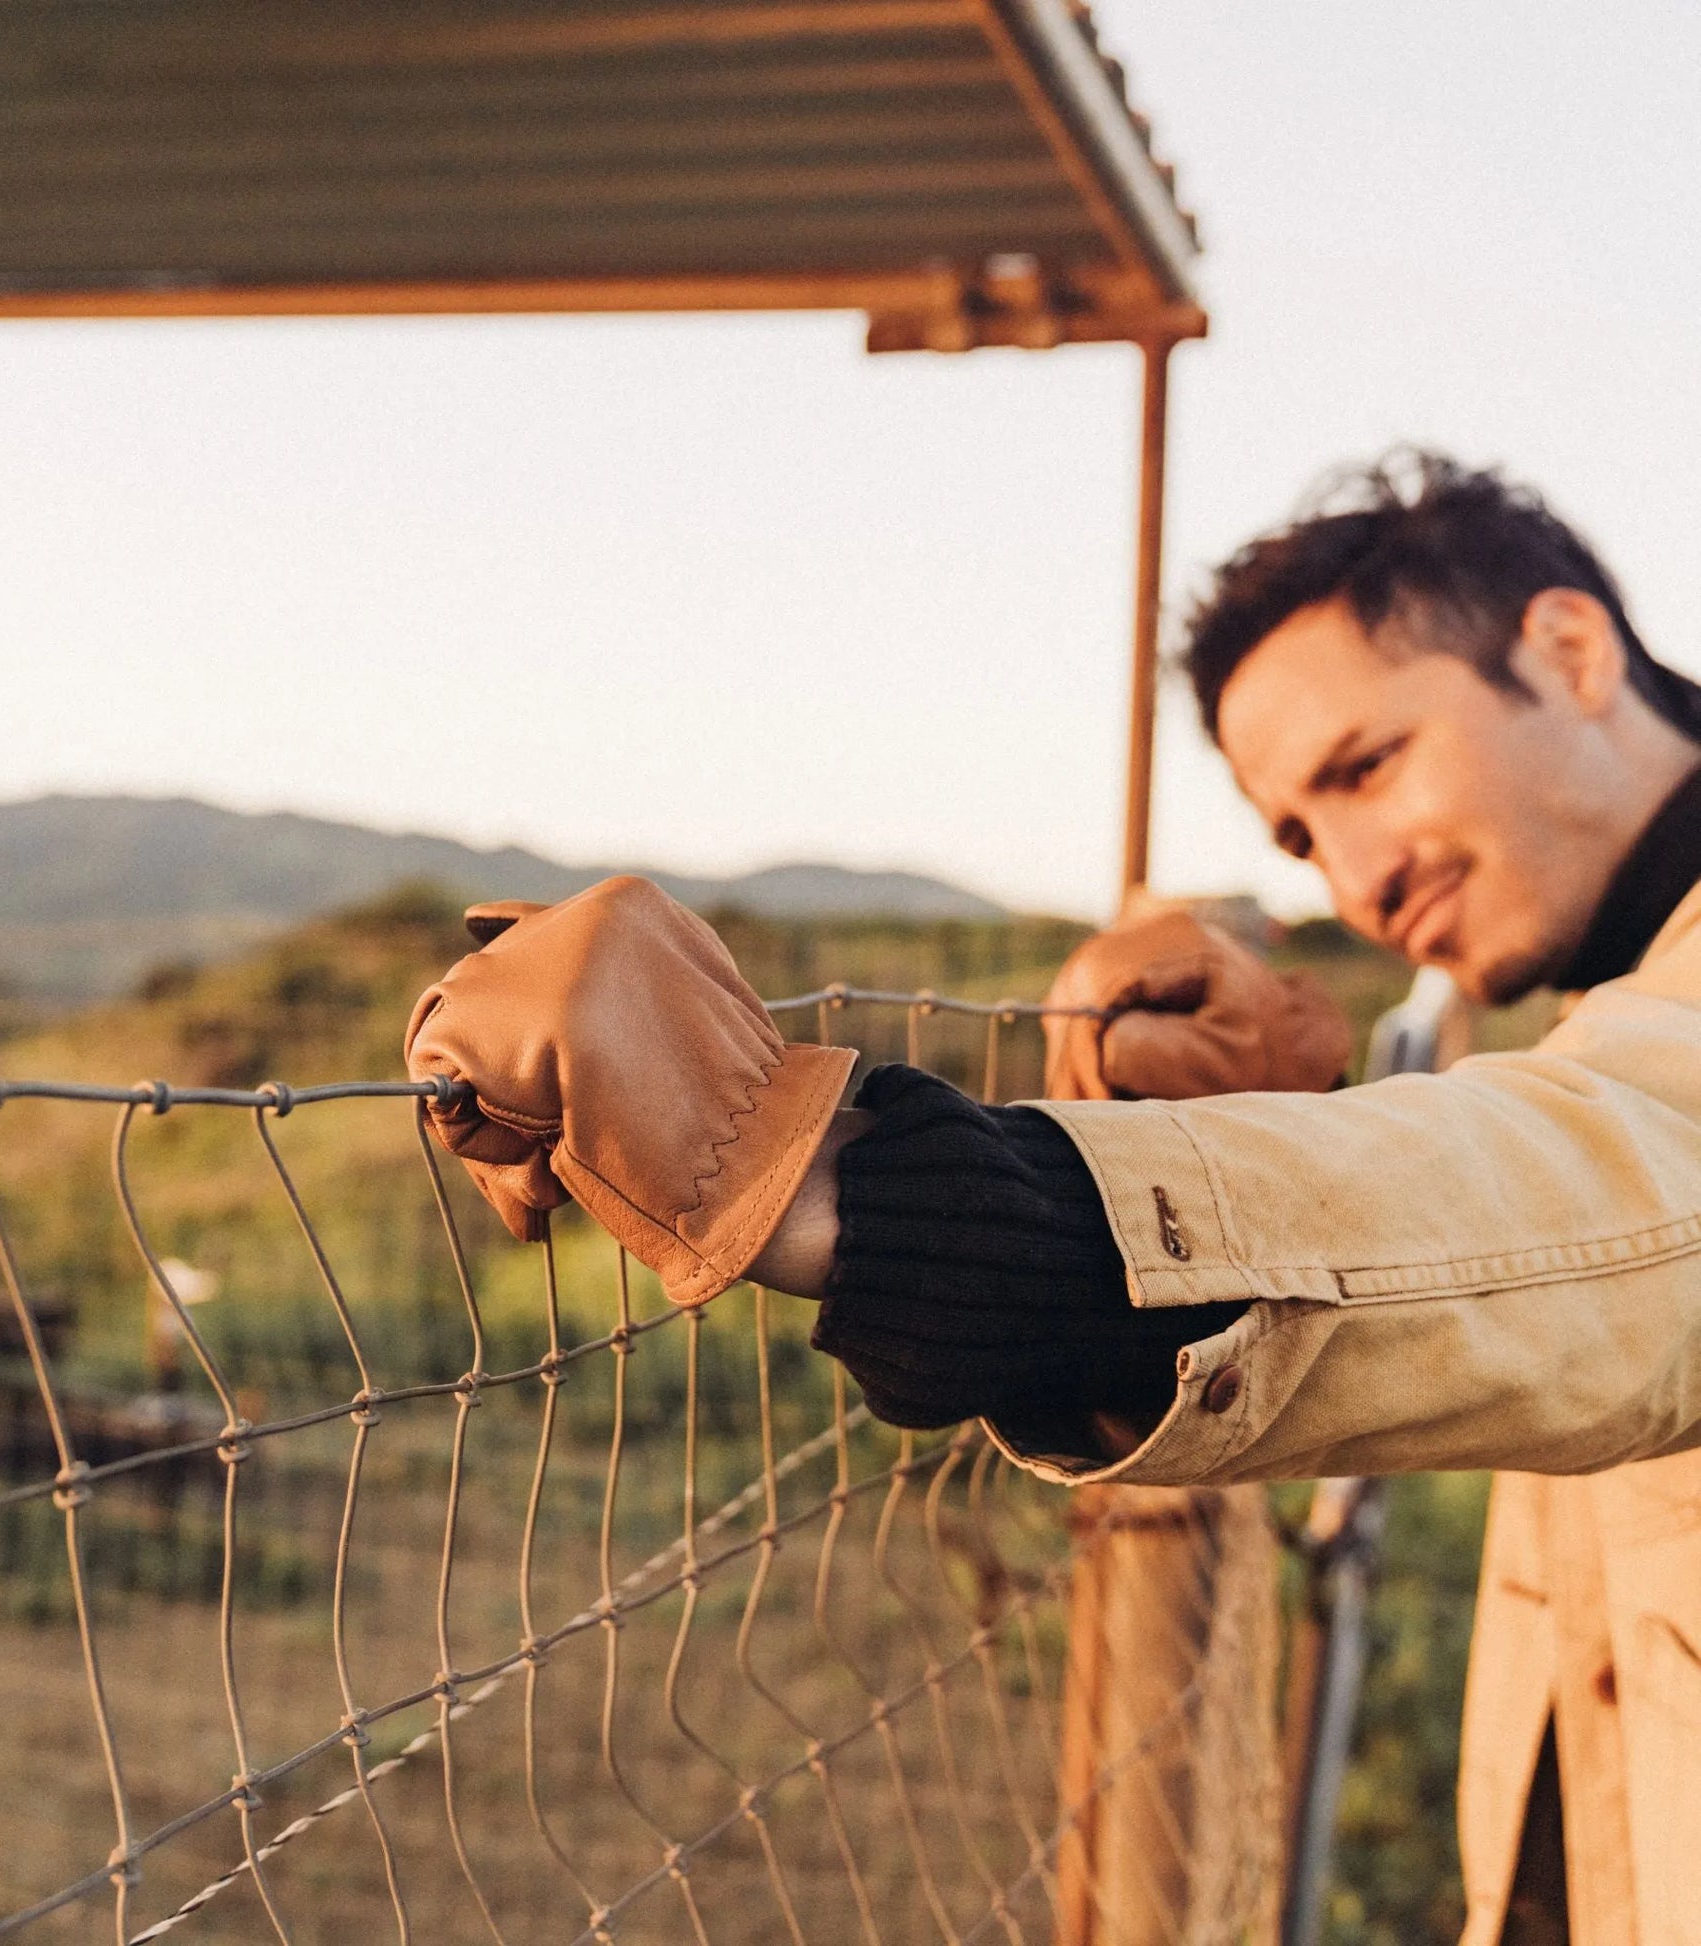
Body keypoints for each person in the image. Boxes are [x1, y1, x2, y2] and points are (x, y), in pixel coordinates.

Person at [407, 454, 1701, 1946]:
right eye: (1297, 835)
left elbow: (1637, 1185)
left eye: (1364, 766)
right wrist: (1303, 1118)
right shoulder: (1624, 989)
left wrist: (814, 1171)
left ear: (1568, 650)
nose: (1354, 882)